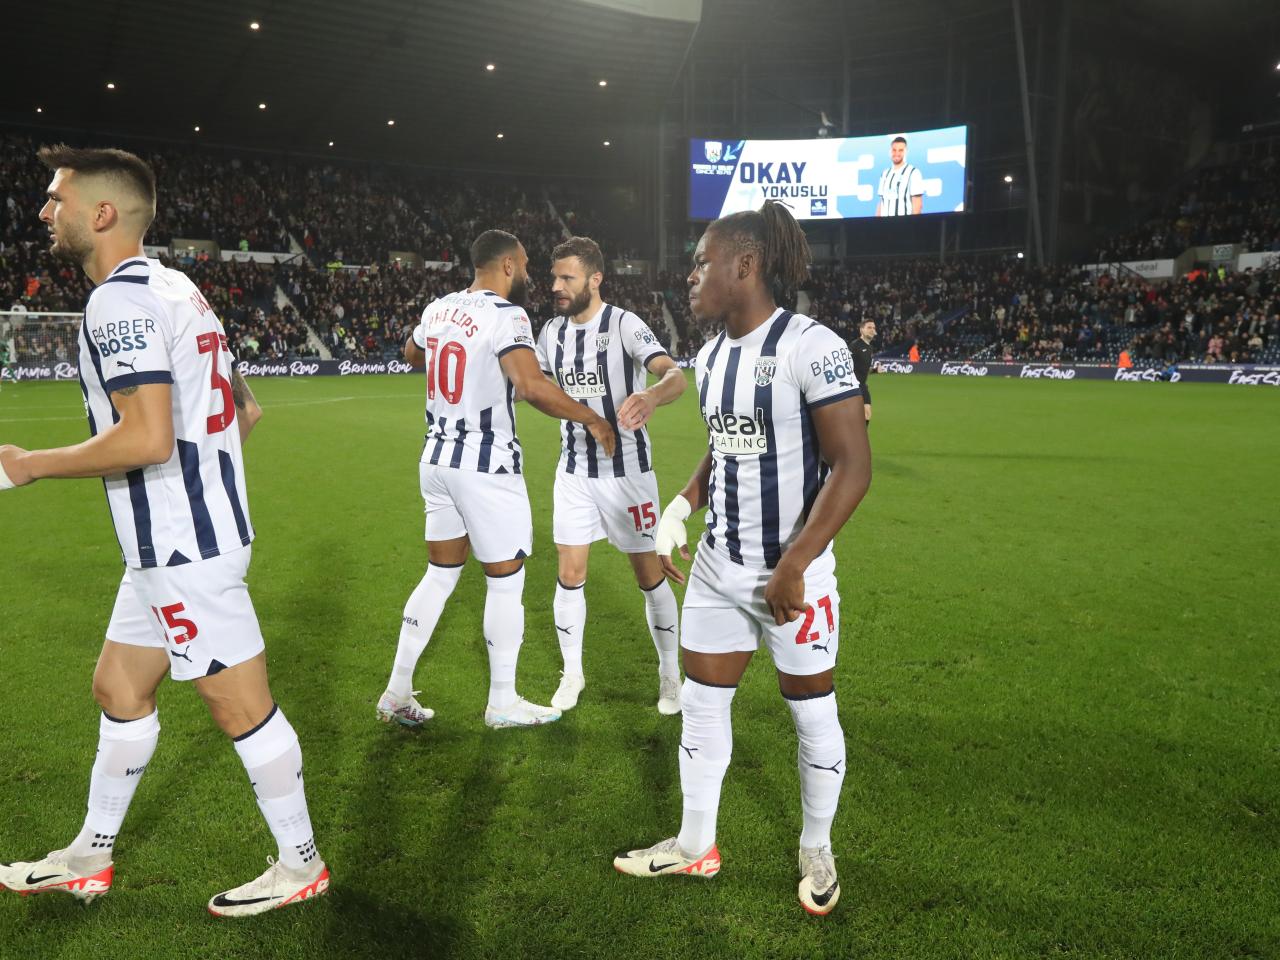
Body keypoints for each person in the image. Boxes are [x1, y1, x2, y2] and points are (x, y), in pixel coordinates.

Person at [0, 144, 327, 917]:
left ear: (102, 213)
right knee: (118, 686)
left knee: (239, 706)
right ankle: (89, 855)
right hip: (180, 538)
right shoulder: (182, 287)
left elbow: (147, 439)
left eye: (57, 201)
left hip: (184, 546)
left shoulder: (118, 301)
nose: (45, 213)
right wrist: (204, 486)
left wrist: (27, 464)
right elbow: (244, 409)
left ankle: (300, 864)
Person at [612, 201, 872, 917]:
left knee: (811, 711)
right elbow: (728, 448)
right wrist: (679, 507)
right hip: (719, 569)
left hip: (794, 575)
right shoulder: (716, 354)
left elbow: (852, 466)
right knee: (701, 703)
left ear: (745, 266)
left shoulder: (811, 346)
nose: (690, 276)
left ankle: (816, 845)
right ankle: (697, 844)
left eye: (701, 263)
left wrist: (794, 563)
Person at [377, 229, 617, 729]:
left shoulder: (438, 307)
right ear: (507, 265)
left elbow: (411, 354)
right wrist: (592, 419)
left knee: (440, 575)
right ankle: (503, 702)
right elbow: (530, 387)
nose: (530, 274)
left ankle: (396, 691)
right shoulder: (508, 315)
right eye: (527, 265)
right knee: (506, 585)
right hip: (485, 466)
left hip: (435, 461)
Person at [535, 236, 688, 714]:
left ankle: (670, 676)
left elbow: (674, 375)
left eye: (567, 278)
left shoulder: (624, 324)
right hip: (575, 471)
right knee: (569, 572)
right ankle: (572, 674)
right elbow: (535, 387)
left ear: (595, 279)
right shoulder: (550, 333)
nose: (557, 286)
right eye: (555, 277)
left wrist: (651, 397)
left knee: (647, 576)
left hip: (628, 476)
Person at [875, 136, 924, 217]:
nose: (897, 153)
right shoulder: (885, 174)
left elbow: (917, 205)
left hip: (904, 225)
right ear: (890, 151)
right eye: (894, 150)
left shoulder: (913, 172)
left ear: (905, 152)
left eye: (900, 150)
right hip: (884, 227)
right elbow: (881, 203)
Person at [849, 317, 875, 424]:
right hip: (853, 386)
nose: (872, 330)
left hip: (863, 386)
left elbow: (863, 368)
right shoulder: (854, 345)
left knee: (867, 414)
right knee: (854, 416)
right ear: (861, 330)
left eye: (873, 328)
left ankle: (861, 439)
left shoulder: (869, 348)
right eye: (869, 327)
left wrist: (875, 370)